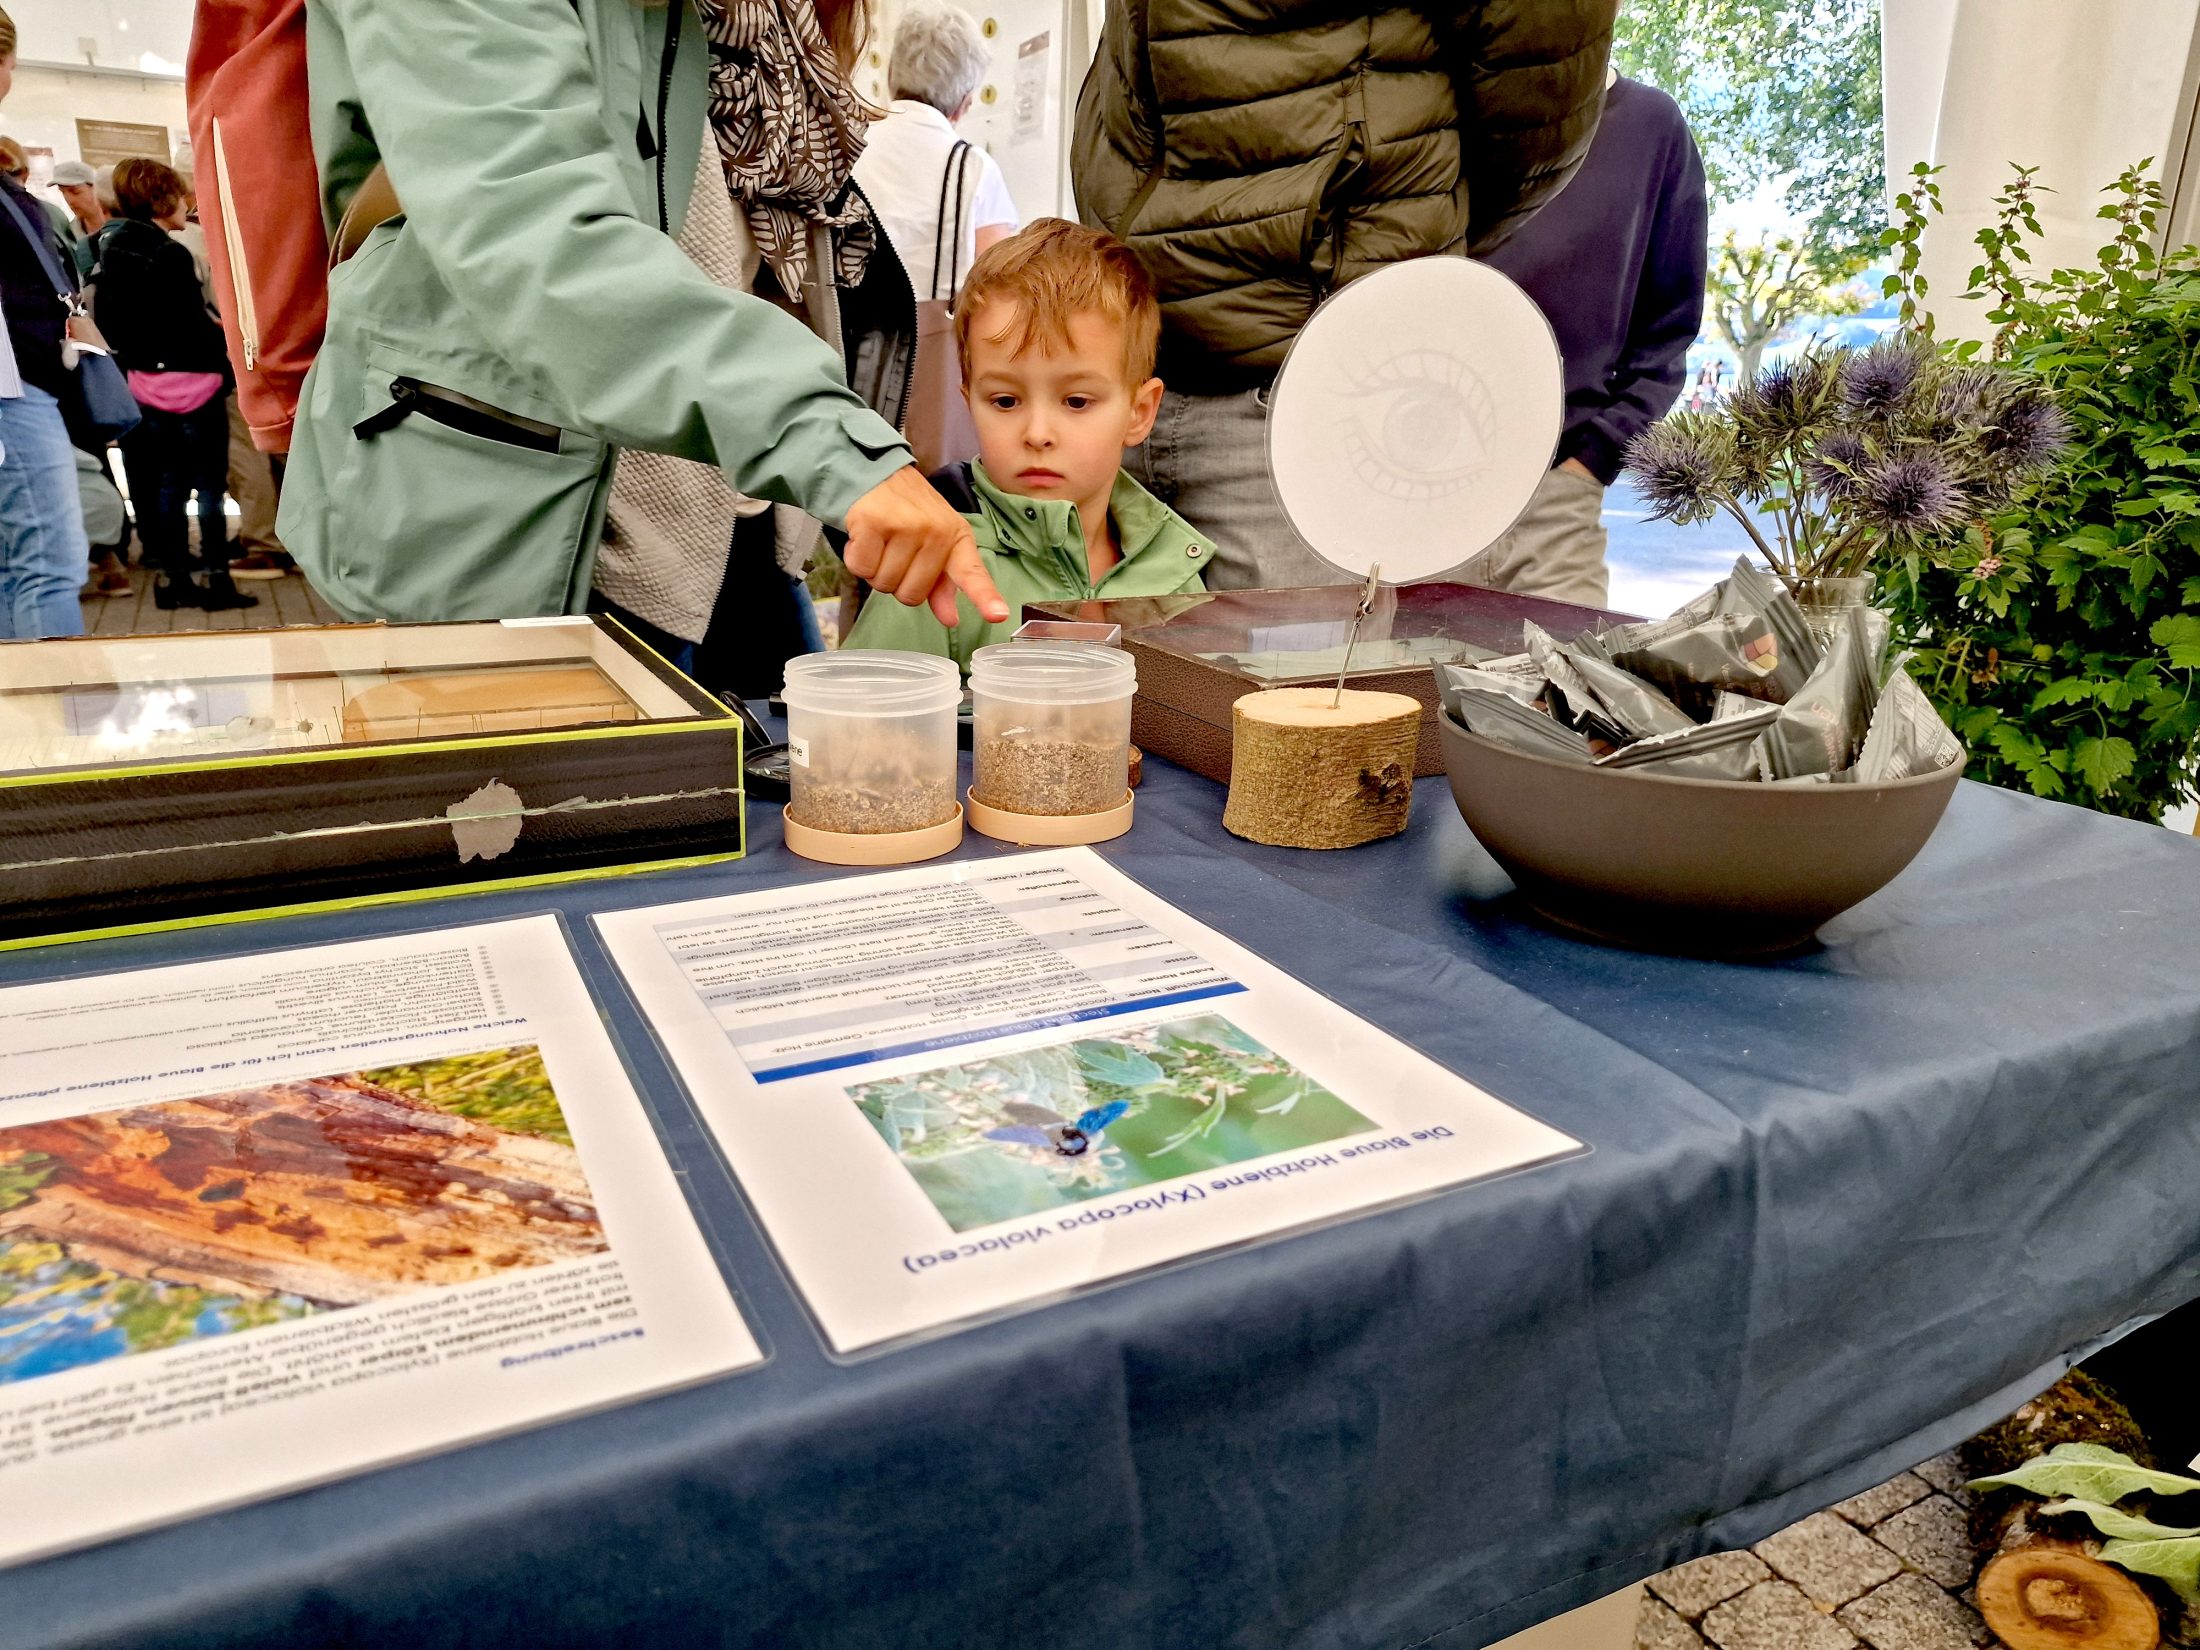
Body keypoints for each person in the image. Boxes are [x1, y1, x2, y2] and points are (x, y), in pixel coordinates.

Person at [277, 0, 1004, 672]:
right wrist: (832, 442)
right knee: (563, 806)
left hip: (741, 503)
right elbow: (540, 243)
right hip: (522, 518)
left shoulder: (755, 21)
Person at [1074, 0, 1617, 590]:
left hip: (1312, 389)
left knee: (1303, 677)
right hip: (1134, 369)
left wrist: (1386, 243)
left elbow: (1537, 100)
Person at [846, 219, 1212, 667]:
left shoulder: (1175, 569)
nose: (1037, 433)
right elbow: (864, 725)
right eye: (1005, 400)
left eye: (1076, 401)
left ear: (1139, 413)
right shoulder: (940, 568)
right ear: (969, 400)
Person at [1459, 69, 1708, 609]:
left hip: (1557, 493)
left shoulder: (1649, 126)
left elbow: (1668, 329)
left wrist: (1594, 458)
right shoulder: (1436, 115)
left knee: (1565, 689)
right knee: (1399, 688)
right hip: (1416, 485)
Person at [91, 157, 254, 611]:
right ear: (162, 198)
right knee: (207, 487)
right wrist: (223, 352)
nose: (187, 202)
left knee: (168, 485)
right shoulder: (171, 253)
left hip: (145, 383)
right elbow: (189, 327)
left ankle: (173, 578)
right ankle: (218, 581)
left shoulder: (112, 248)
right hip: (194, 384)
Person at [0, 10, 93, 640]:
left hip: (20, 380)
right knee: (49, 563)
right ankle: (61, 729)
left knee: (19, 566)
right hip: (12, 386)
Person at [852, 0, 1018, 305]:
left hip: (843, 338)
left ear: (890, 74)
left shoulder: (848, 143)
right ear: (964, 101)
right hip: (934, 345)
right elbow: (1000, 290)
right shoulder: (974, 169)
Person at [51, 159, 105, 278]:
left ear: (95, 188)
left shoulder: (123, 227)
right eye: (62, 192)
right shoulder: (67, 234)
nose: (69, 200)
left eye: (75, 192)